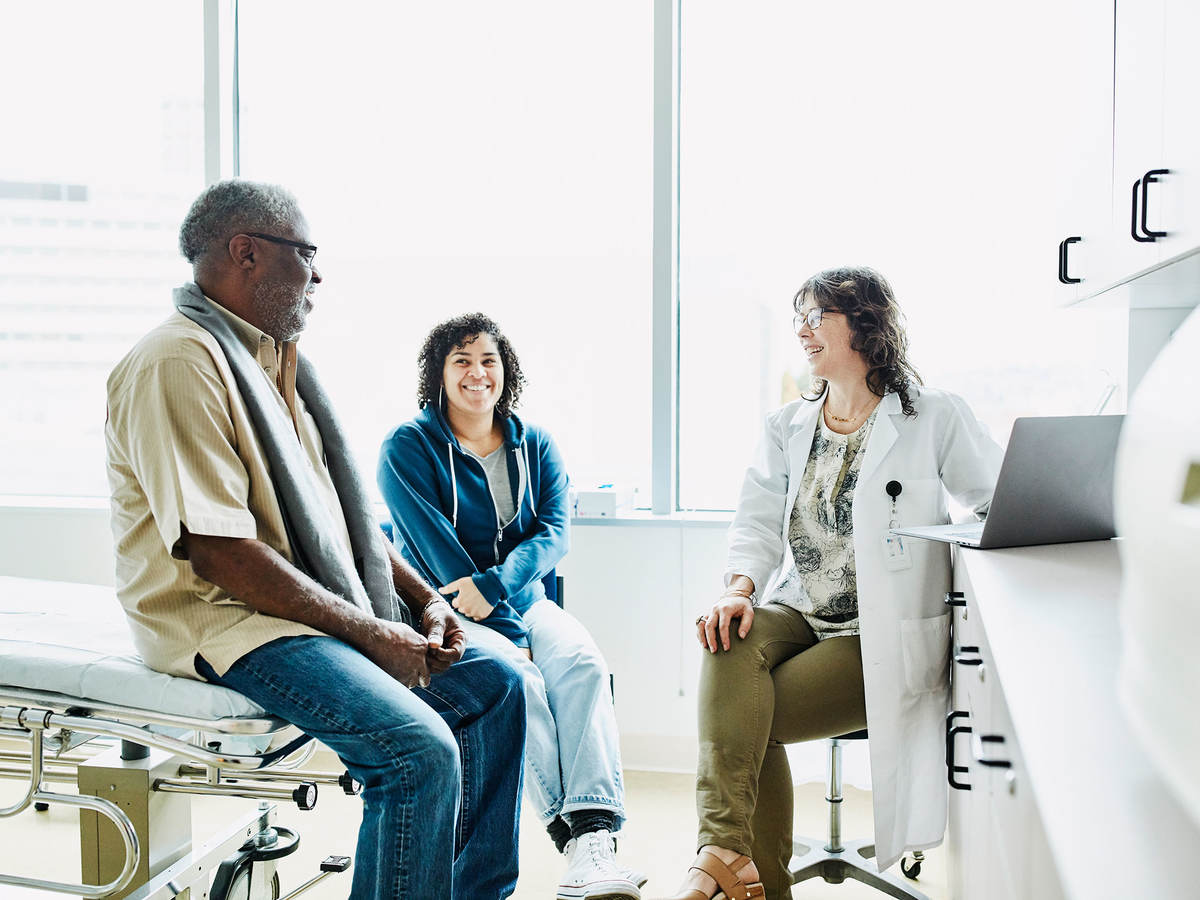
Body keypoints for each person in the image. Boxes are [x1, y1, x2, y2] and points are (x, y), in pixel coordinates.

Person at [105, 180, 526, 900]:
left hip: (297, 608)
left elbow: (343, 523)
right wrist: (369, 632)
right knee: (416, 753)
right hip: (229, 621)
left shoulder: (281, 369)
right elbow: (220, 553)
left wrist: (426, 604)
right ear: (246, 254)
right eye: (306, 253)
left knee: (498, 685)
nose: (318, 274)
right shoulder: (179, 362)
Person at [659, 267, 1003, 900]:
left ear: (865, 325)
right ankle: (727, 853)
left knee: (744, 720)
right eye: (800, 317)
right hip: (799, 606)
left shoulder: (932, 417)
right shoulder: (788, 425)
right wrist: (739, 587)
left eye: (817, 317)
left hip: (876, 629)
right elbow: (757, 522)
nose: (802, 331)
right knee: (726, 637)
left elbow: (997, 503)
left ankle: (727, 864)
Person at [378, 313, 644, 900]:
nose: (478, 373)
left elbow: (554, 532)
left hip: (524, 600)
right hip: (442, 611)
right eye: (462, 361)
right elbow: (432, 551)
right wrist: (499, 620)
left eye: (489, 360)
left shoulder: (536, 442)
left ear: (507, 371)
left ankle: (594, 839)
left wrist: (500, 590)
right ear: (438, 373)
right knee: (518, 680)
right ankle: (569, 832)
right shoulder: (407, 447)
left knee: (581, 665)